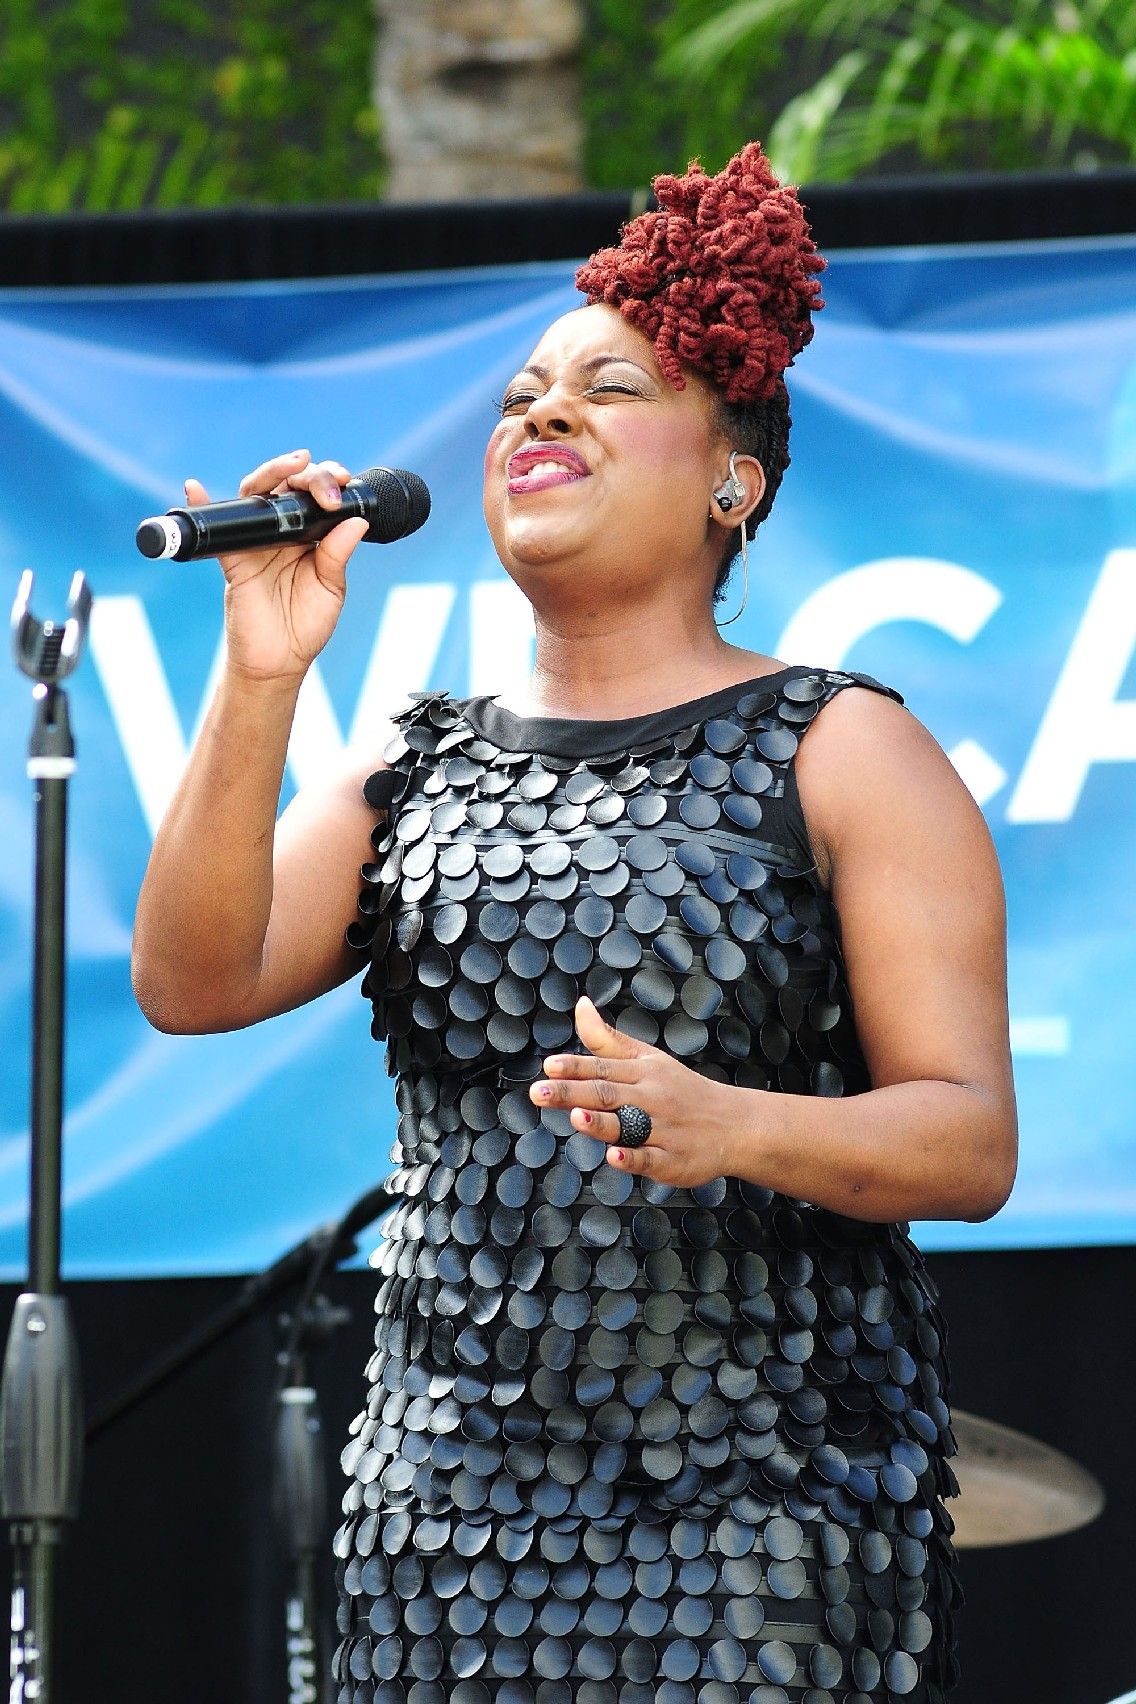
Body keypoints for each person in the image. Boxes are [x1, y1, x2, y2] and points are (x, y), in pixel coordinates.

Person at [133, 142, 1017, 1704]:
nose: (541, 413)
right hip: (448, 1519)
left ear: (732, 477)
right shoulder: (415, 764)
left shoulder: (840, 747)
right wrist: (261, 674)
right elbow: (192, 983)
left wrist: (727, 1121)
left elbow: (968, 1142)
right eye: (524, 394)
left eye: (609, 390)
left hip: (760, 1519)